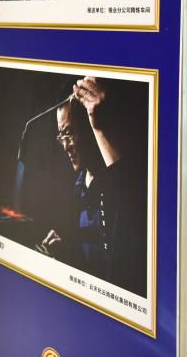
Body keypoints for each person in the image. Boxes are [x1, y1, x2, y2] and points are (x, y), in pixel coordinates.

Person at [40, 77, 146, 297]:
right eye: (61, 135)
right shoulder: (79, 183)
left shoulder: (120, 181)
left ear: (89, 127)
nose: (65, 146)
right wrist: (67, 250)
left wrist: (99, 126)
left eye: (69, 133)